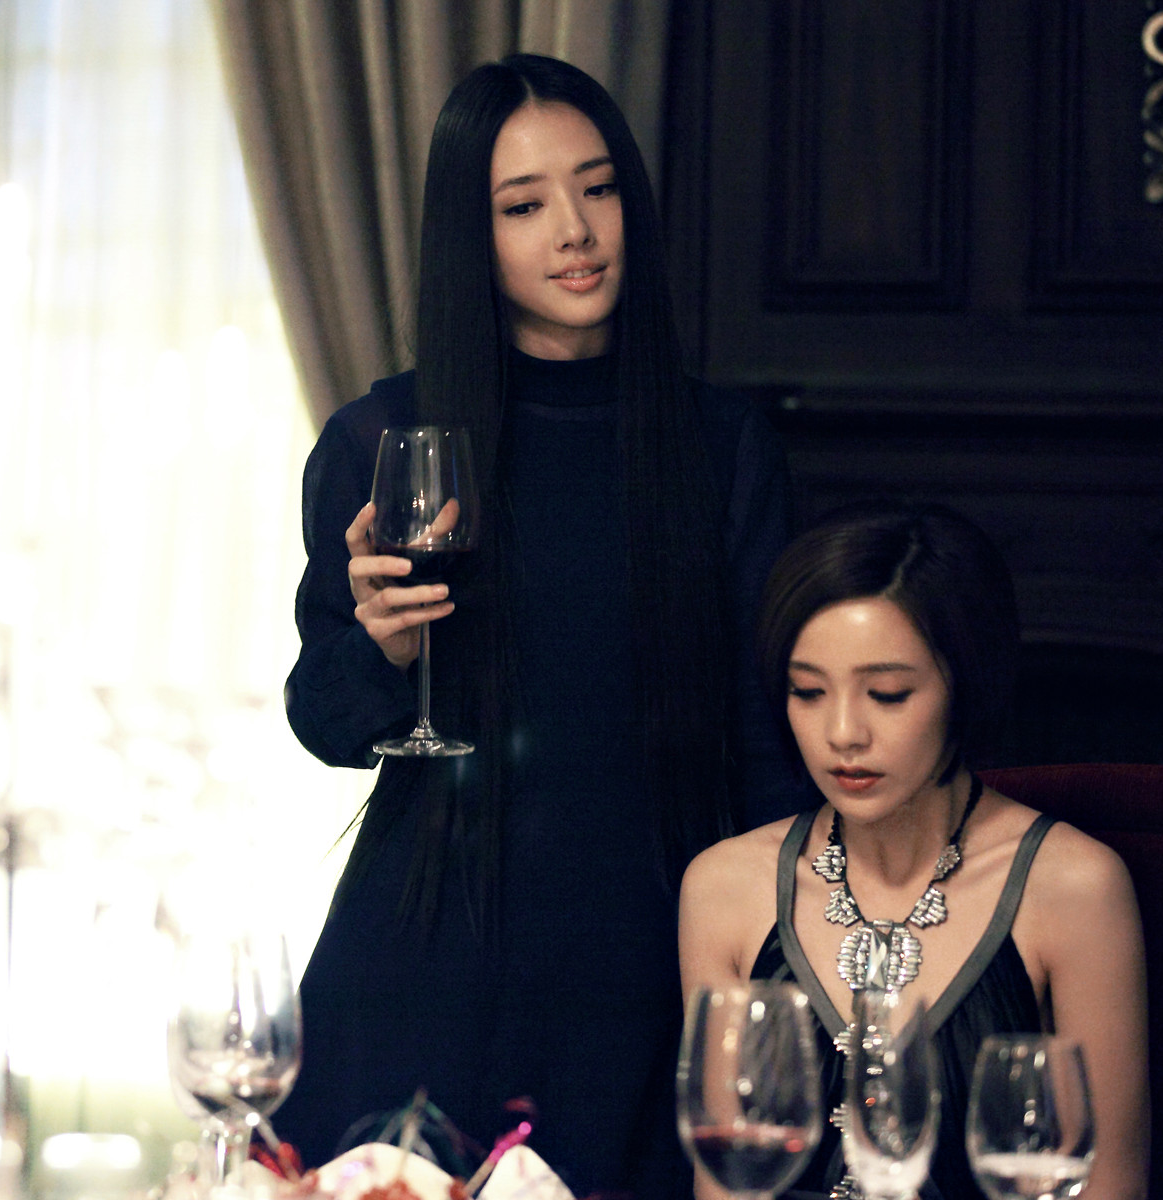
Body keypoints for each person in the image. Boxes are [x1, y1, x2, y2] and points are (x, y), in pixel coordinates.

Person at [280, 53, 808, 1198]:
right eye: (523, 206)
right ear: (471, 237)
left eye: (599, 188)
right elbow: (323, 719)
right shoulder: (383, 438)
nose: (575, 230)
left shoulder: (722, 447)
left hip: (647, 955)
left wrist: (780, 969)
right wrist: (386, 648)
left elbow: (771, 745)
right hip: (428, 948)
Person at [677, 501, 1150, 1200]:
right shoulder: (724, 888)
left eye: (888, 694)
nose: (843, 732)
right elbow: (724, 1184)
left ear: (966, 686)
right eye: (808, 692)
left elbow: (1109, 1187)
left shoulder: (1075, 888)